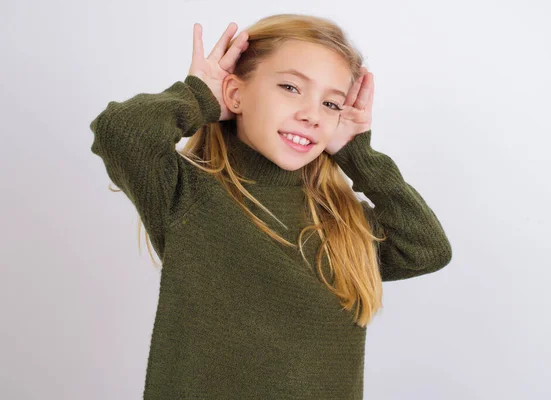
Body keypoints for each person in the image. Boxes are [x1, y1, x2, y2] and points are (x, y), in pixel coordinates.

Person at [89, 13, 452, 400]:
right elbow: (120, 133)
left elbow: (426, 249)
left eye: (331, 103)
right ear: (234, 94)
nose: (312, 114)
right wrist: (198, 97)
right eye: (291, 87)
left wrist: (357, 154)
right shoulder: (188, 196)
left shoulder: (339, 222)